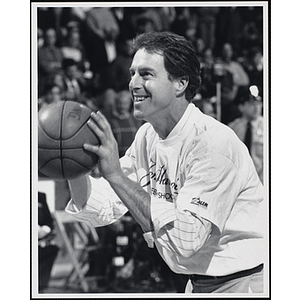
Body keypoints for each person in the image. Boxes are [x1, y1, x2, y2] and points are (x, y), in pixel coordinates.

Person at [65, 32, 266, 294]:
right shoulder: (148, 136)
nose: (133, 84)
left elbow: (186, 240)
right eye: (132, 73)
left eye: (146, 74)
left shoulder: (213, 144)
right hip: (196, 283)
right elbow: (102, 207)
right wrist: (71, 165)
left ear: (180, 82)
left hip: (243, 283)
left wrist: (115, 174)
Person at [228, 85, 264, 183]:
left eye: (259, 103)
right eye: (251, 104)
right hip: (239, 180)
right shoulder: (233, 128)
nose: (256, 107)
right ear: (241, 106)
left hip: (263, 180)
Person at [106, 90, 142, 158]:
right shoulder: (111, 122)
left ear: (129, 104)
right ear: (116, 104)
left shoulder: (136, 120)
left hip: (133, 159)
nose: (122, 106)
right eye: (120, 103)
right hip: (117, 158)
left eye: (125, 103)